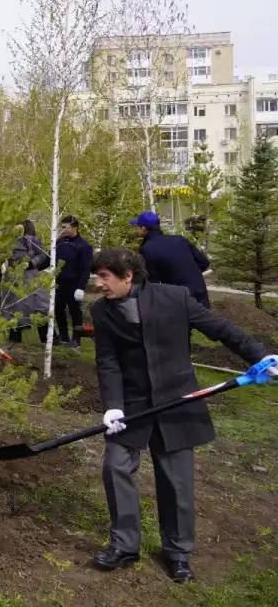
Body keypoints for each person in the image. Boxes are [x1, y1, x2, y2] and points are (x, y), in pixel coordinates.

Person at [88, 247, 277, 583]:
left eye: (104, 276)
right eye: (97, 276)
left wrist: (261, 356)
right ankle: (125, 545)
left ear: (127, 276)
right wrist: (113, 404)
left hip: (178, 399)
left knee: (176, 481)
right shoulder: (102, 312)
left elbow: (220, 328)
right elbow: (108, 361)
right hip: (131, 402)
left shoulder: (174, 297)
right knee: (115, 466)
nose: (98, 283)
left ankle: (177, 553)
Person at [130, 210, 211, 307]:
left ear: (143, 228)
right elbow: (204, 262)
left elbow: (152, 282)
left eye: (137, 227)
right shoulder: (179, 240)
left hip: (179, 300)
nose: (136, 230)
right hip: (201, 294)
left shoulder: (147, 249)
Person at [0, 219, 51, 346]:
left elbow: (43, 255)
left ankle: (47, 338)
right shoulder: (10, 241)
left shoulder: (33, 241)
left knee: (40, 306)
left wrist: (31, 263)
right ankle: (15, 338)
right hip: (13, 277)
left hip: (30, 277)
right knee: (15, 307)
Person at [54, 215, 93, 347]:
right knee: (58, 310)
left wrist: (81, 287)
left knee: (75, 312)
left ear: (75, 228)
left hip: (74, 284)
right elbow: (49, 258)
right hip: (59, 282)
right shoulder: (59, 243)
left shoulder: (83, 246)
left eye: (66, 227)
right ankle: (64, 337)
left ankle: (76, 339)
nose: (63, 229)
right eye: (62, 227)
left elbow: (86, 268)